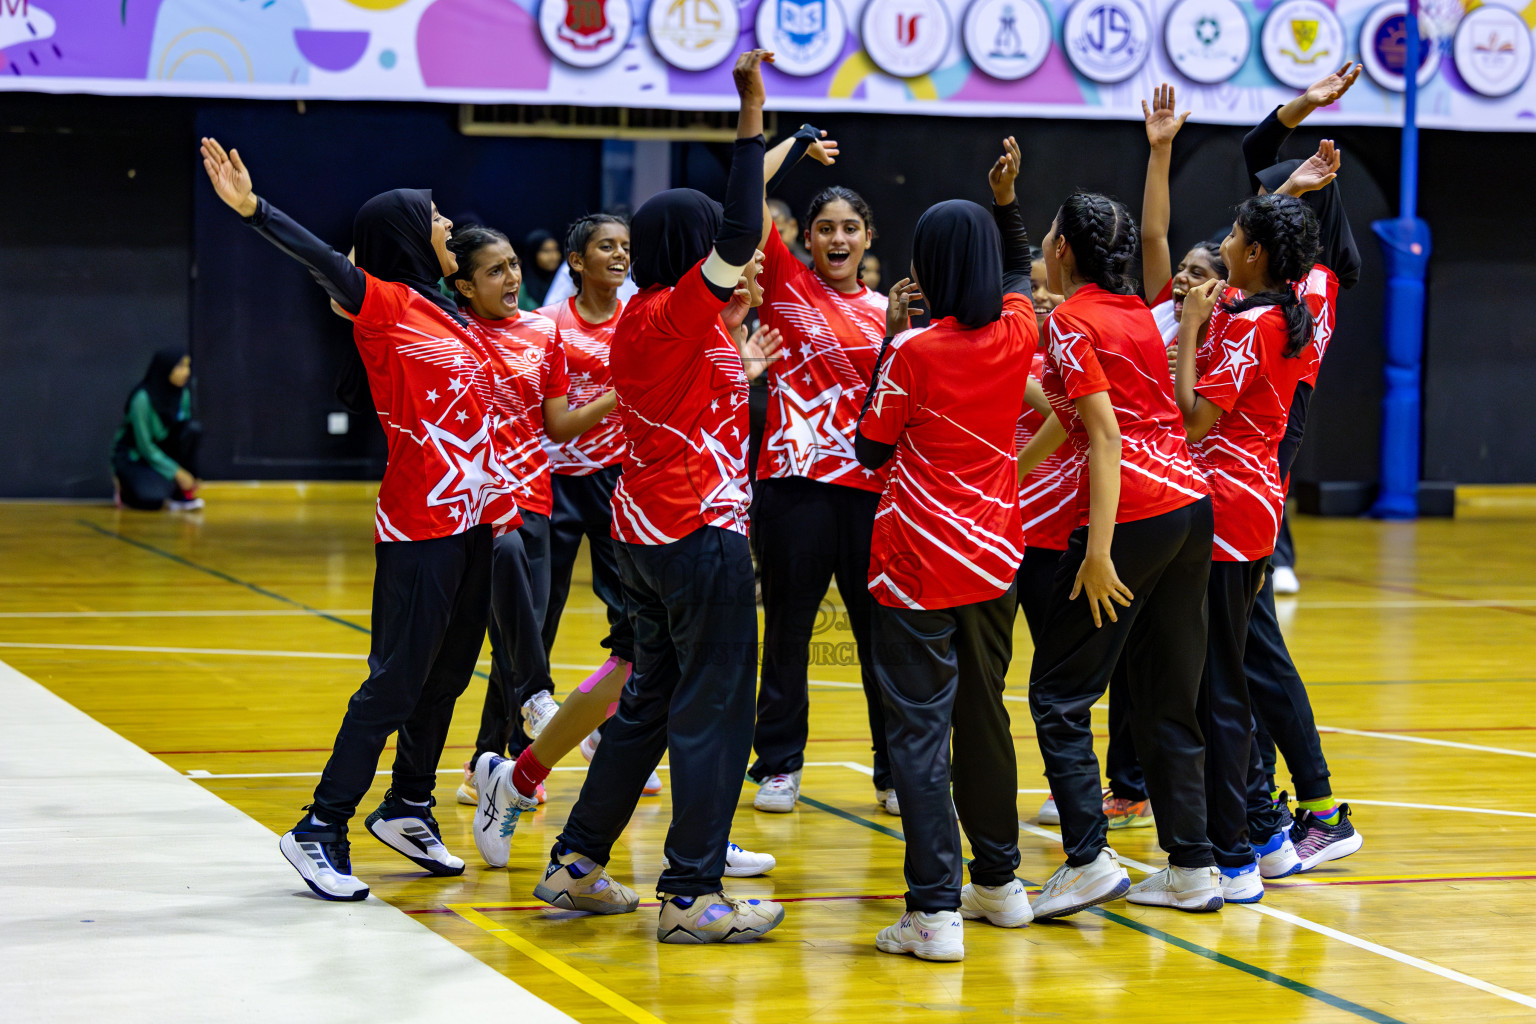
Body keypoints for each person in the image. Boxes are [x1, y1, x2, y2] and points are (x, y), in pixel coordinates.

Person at [481, 50, 788, 946]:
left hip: (648, 533)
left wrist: (746, 371)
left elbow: (709, 391)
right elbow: (740, 232)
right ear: (696, 254)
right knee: (714, 709)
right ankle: (690, 895)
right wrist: (752, 112)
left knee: (649, 701)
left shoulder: (666, 325)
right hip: (695, 537)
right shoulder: (670, 313)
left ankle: (577, 863)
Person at [199, 138, 517, 901]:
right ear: (408, 234)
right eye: (435, 219)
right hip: (421, 528)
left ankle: (408, 807)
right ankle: (321, 825)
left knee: (447, 676)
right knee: (395, 682)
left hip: (475, 522)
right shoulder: (385, 304)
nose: (449, 227)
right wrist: (253, 210)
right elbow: (324, 262)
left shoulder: (453, 314)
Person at [855, 138, 1037, 962]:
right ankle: (999, 883)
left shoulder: (913, 351)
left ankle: (933, 910)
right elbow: (1021, 275)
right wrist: (1007, 202)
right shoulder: (1020, 332)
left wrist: (894, 340)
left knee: (919, 736)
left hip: (917, 561)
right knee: (984, 715)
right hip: (997, 555)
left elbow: (869, 450)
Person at [1018, 189, 1217, 921]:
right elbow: (1075, 422)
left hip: (1133, 515)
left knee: (1059, 695)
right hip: (1190, 507)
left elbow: (1106, 438)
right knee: (1166, 693)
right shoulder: (1133, 310)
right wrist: (1009, 483)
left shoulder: (1071, 321)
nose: (1042, 242)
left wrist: (1098, 552)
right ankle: (1193, 866)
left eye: (1048, 232)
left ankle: (1087, 859)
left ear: (1064, 249)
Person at [747, 129, 904, 818]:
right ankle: (778, 764)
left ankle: (893, 770)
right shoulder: (783, 284)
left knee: (880, 640)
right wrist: (797, 142)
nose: (837, 239)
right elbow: (746, 188)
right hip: (793, 487)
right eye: (824, 229)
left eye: (850, 228)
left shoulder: (892, 315)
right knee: (787, 631)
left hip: (873, 494)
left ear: (867, 237)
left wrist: (900, 336)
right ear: (804, 238)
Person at [1174, 192, 1320, 905]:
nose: (1224, 242)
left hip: (1225, 511)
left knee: (1220, 689)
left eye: (1234, 234)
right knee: (1221, 681)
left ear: (1256, 253)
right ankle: (1240, 844)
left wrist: (1188, 335)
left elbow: (1195, 420)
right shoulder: (1278, 311)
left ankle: (1232, 857)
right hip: (1253, 506)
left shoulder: (1252, 326)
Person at [111, 349, 203, 511]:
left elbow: (181, 434)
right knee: (152, 500)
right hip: (136, 457)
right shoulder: (142, 398)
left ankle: (179, 493)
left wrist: (189, 473)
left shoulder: (183, 395)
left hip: (162, 452)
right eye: (180, 367)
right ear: (166, 369)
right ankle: (125, 490)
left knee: (192, 430)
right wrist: (177, 472)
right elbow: (144, 446)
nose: (186, 372)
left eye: (188, 366)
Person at [517, 229, 563, 311]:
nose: (554, 256)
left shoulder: (564, 283)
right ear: (533, 254)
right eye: (546, 251)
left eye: (555, 250)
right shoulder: (521, 290)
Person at [768, 196, 812, 266]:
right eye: (766, 237)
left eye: (779, 233)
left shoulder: (810, 267)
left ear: (793, 227)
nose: (773, 242)